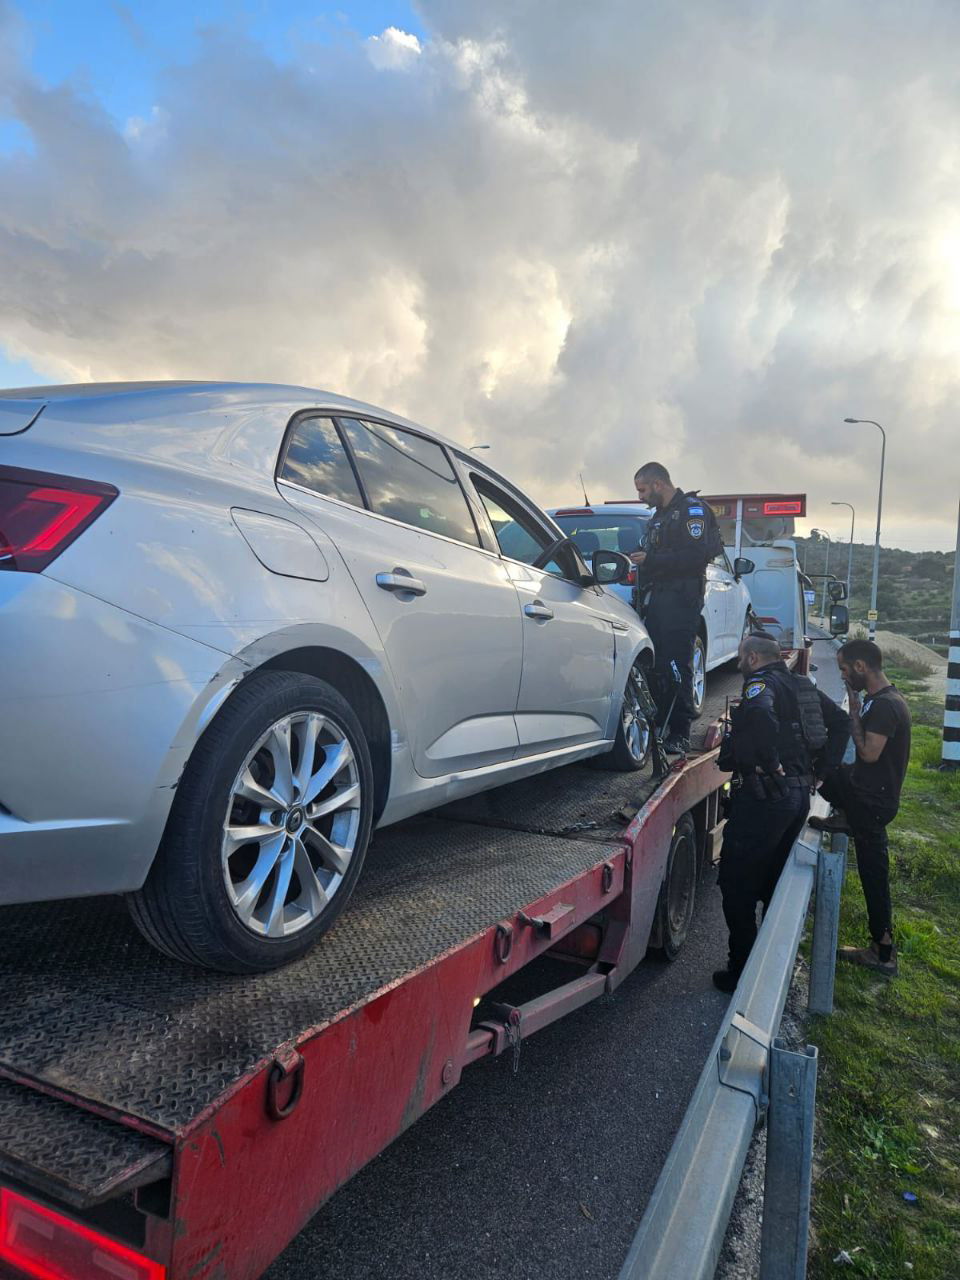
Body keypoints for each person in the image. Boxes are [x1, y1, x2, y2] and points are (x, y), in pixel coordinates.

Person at [713, 633, 850, 993]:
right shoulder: (802, 685)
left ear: (754, 658)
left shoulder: (759, 685)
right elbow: (841, 723)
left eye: (742, 658)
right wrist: (822, 771)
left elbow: (759, 715)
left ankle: (740, 969)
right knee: (773, 881)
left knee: (737, 882)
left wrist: (771, 764)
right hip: (797, 797)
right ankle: (767, 965)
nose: (739, 665)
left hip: (764, 799)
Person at [809, 639, 911, 978]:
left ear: (861, 667)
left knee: (873, 875)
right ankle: (846, 818)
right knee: (826, 769)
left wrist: (852, 715)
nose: (842, 675)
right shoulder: (878, 700)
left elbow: (868, 753)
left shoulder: (884, 706)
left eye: (843, 668)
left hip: (872, 804)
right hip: (866, 795)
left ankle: (883, 953)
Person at [630, 462, 723, 754]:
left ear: (658, 484)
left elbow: (695, 557)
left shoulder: (692, 511)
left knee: (676, 663)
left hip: (682, 599)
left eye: (642, 490)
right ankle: (661, 722)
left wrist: (651, 561)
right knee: (658, 664)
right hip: (657, 598)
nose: (640, 497)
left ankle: (680, 731)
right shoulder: (660, 517)